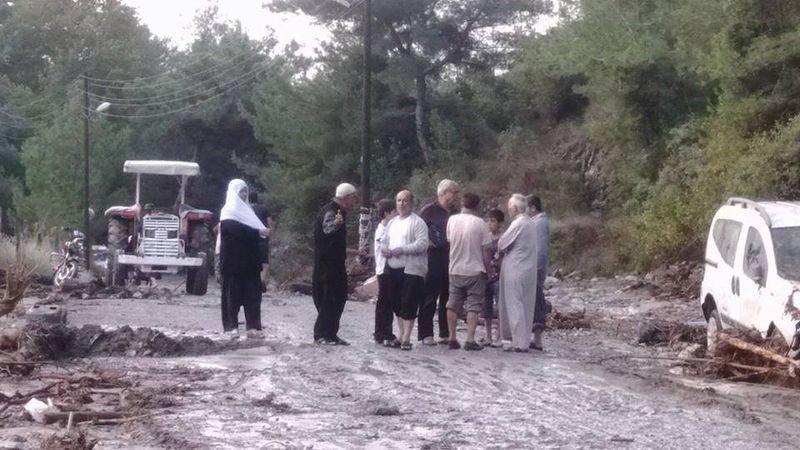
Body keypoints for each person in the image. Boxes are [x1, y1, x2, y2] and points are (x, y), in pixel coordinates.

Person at [219, 179, 270, 338]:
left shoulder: (249, 211)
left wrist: (260, 234)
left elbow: (255, 230)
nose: (242, 194)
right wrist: (257, 232)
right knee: (231, 296)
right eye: (240, 191)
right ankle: (231, 327)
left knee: (253, 295)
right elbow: (233, 232)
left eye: (244, 191)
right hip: (232, 262)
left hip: (250, 261)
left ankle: (253, 326)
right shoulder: (228, 211)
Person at [445, 193, 494, 351]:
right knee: (473, 306)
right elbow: (486, 251)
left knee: (452, 304)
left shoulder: (452, 220)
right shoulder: (481, 224)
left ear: (462, 204)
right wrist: (490, 271)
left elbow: (449, 242)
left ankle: (452, 337)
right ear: (477, 206)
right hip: (474, 270)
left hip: (455, 269)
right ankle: (470, 339)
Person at [381, 190, 429, 350]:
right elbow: (384, 240)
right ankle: (401, 334)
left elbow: (423, 244)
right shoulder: (392, 222)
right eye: (399, 200)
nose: (401, 204)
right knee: (396, 302)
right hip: (393, 268)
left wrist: (403, 249)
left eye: (405, 201)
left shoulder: (417, 222)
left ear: (411, 203)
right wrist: (384, 249)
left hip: (411, 269)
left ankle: (407, 337)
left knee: (409, 302)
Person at [312, 183, 359, 345]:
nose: (355, 201)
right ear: (345, 198)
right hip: (328, 266)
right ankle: (322, 334)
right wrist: (337, 223)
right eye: (353, 198)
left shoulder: (338, 211)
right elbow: (328, 229)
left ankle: (331, 333)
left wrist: (354, 251)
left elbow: (335, 241)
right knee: (329, 298)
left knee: (338, 297)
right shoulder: (332, 211)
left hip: (333, 264)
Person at [418, 179, 460, 345]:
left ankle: (445, 332)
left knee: (447, 295)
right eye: (454, 192)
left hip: (450, 258)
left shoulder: (454, 213)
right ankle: (426, 333)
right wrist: (429, 243)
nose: (457, 196)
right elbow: (419, 231)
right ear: (444, 192)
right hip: (432, 258)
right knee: (429, 295)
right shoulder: (429, 210)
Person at [497, 194, 539, 352]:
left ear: (514, 208)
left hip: (516, 268)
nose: (508, 210)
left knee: (515, 304)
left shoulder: (519, 223)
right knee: (526, 305)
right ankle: (522, 340)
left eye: (509, 207)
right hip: (528, 269)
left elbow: (502, 243)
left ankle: (519, 342)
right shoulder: (531, 223)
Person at [373, 198, 397, 345]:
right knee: (385, 303)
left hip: (387, 270)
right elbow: (384, 250)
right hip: (385, 270)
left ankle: (381, 332)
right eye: (394, 212)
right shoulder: (382, 229)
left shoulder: (387, 228)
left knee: (385, 302)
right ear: (387, 213)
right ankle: (384, 333)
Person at [528, 195, 551, 350]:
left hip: (536, 268)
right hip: (535, 267)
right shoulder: (537, 222)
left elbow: (541, 248)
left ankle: (538, 340)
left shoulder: (540, 223)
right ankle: (535, 339)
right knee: (534, 300)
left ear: (533, 208)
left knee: (536, 301)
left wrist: (537, 266)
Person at [481, 208, 505, 347]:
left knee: (500, 305)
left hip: (499, 276)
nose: (490, 223)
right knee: (486, 306)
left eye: (493, 221)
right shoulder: (486, 237)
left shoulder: (504, 238)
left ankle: (499, 335)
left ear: (500, 223)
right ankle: (488, 335)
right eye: (488, 220)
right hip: (485, 275)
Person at [249, 191, 274, 293]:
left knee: (251, 262)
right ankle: (262, 280)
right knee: (264, 263)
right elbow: (270, 222)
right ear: (257, 198)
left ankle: (252, 283)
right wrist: (271, 234)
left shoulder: (246, 209)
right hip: (263, 239)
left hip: (249, 239)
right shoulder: (264, 208)